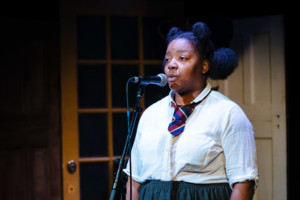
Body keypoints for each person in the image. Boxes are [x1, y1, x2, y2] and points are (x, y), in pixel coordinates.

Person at [123, 22, 258, 200]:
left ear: (204, 66)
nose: (171, 65)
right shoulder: (150, 114)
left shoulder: (228, 114)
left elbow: (243, 183)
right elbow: (134, 181)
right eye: (167, 59)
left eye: (182, 58)